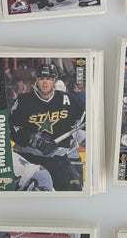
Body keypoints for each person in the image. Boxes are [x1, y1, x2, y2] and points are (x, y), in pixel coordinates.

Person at [9, 63, 86, 191]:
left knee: (75, 193)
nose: (45, 82)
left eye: (49, 78)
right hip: (29, 159)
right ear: (36, 80)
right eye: (41, 78)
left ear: (54, 81)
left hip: (58, 160)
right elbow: (11, 127)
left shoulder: (70, 101)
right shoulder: (23, 101)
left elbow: (83, 123)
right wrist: (33, 140)